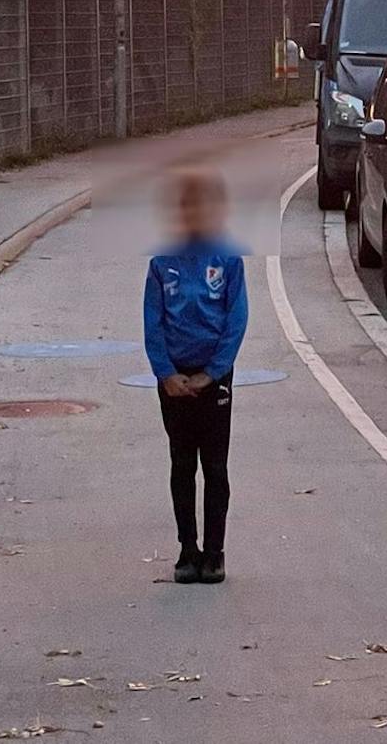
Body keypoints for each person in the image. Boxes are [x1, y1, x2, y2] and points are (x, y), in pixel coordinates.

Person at [143, 168, 248, 586]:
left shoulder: (228, 260)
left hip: (213, 380)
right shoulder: (161, 263)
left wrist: (213, 372)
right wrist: (166, 373)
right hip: (174, 383)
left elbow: (236, 319)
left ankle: (215, 552)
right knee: (182, 465)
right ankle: (188, 550)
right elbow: (153, 323)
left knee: (215, 468)